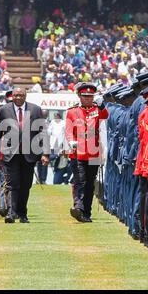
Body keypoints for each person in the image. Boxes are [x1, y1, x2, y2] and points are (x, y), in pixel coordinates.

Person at [0, 87, 50, 224]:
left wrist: (45, 153)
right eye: (16, 95)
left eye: (21, 95)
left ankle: (22, 213)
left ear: (25, 96)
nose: (18, 98)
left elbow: (43, 133)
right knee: (12, 184)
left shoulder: (36, 110)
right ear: (12, 96)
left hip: (29, 154)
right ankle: (11, 213)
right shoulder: (3, 110)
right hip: (10, 154)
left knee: (25, 185)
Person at [66, 83, 109, 223]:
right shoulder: (72, 111)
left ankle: (86, 212)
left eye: (90, 96)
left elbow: (105, 116)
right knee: (80, 180)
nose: (88, 99)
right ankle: (78, 206)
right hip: (78, 151)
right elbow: (68, 130)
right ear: (79, 96)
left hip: (94, 150)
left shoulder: (97, 109)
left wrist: (102, 105)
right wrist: (71, 141)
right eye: (85, 96)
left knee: (90, 183)